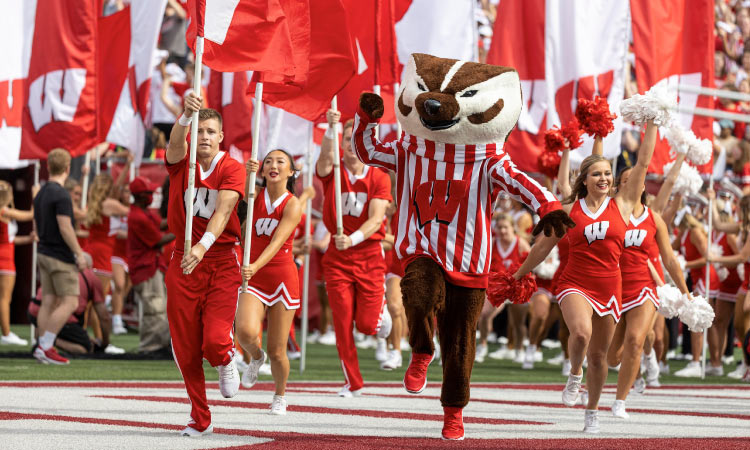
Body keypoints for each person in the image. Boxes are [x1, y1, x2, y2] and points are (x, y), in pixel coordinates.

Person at [513, 120, 658, 433]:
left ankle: (592, 411)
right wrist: (518, 275)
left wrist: (651, 121)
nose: (604, 178)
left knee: (600, 357)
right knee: (580, 334)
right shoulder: (569, 207)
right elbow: (541, 247)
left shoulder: (622, 203)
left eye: (608, 173)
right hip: (574, 282)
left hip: (610, 288)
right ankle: (574, 373)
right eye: (597, 173)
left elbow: (644, 161)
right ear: (585, 179)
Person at [165, 92, 245, 436]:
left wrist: (203, 244)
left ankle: (226, 358)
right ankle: (200, 417)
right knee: (185, 348)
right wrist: (185, 116)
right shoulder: (183, 162)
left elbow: (224, 209)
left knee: (213, 340)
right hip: (183, 262)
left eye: (211, 131)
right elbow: (172, 148)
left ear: (221, 136)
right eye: (199, 131)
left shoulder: (233, 167)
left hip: (220, 259)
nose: (205, 137)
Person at [605, 167, 692, 418]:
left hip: (644, 286)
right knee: (612, 357)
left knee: (636, 340)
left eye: (637, 180)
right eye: (626, 180)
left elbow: (670, 260)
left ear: (644, 186)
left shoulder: (654, 218)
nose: (633, 183)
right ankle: (636, 370)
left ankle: (620, 402)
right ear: (618, 186)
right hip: (613, 287)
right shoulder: (609, 213)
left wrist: (686, 293)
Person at [317, 109, 392, 397]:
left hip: (369, 255)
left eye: (355, 140)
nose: (350, 145)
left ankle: (381, 321)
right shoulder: (333, 173)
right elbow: (324, 161)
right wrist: (329, 129)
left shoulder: (379, 177)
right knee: (342, 319)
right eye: (346, 140)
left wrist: (354, 237)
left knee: (367, 325)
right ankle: (353, 381)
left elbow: (376, 219)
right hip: (337, 259)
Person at [236, 150, 302, 415]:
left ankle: (280, 394)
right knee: (245, 332)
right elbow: (238, 194)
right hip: (254, 276)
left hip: (281, 277)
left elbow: (277, 243)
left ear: (291, 172)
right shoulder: (254, 197)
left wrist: (254, 264)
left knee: (277, 350)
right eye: (269, 162)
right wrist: (247, 174)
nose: (273, 165)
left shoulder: (292, 204)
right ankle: (255, 356)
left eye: (280, 162)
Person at [33, 148, 90, 365]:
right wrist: (79, 253)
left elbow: (38, 225)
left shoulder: (41, 192)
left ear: (48, 166)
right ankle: (46, 346)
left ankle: (41, 346)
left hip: (44, 252)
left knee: (48, 301)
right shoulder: (61, 194)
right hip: (59, 255)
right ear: (67, 168)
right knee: (70, 301)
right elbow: (65, 227)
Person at [127, 176, 174, 354]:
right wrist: (183, 230)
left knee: (158, 306)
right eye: (148, 193)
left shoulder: (143, 213)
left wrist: (181, 217)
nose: (152, 196)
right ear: (140, 196)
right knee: (154, 308)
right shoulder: (138, 217)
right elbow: (158, 240)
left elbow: (160, 225)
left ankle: (158, 344)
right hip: (145, 269)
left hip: (151, 267)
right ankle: (150, 346)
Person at [28, 254, 111, 354]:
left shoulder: (59, 267)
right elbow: (103, 316)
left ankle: (43, 339)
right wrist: (105, 342)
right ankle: (47, 342)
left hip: (34, 308)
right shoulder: (90, 277)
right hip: (58, 313)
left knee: (51, 307)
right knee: (86, 347)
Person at [708, 191, 750, 379]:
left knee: (745, 320)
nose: (736, 211)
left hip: (747, 281)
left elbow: (742, 257)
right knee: (740, 325)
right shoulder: (742, 227)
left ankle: (747, 364)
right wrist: (710, 200)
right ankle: (746, 364)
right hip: (746, 281)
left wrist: (715, 258)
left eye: (740, 208)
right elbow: (718, 225)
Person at [0, 181, 37, 345]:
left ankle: (6, 332)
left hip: (6, 254)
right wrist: (35, 197)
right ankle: (6, 333)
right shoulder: (5, 210)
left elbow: (9, 240)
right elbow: (30, 215)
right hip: (5, 260)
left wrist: (29, 239)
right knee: (4, 299)